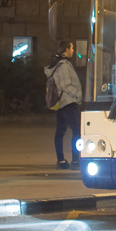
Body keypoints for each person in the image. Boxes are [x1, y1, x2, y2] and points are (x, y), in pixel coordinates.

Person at [46, 39, 83, 169]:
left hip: (62, 103)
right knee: (77, 131)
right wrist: (78, 96)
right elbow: (66, 85)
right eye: (71, 48)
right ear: (66, 50)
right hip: (68, 102)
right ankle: (75, 161)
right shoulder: (63, 65)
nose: (73, 50)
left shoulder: (57, 63)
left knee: (60, 131)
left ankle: (61, 160)